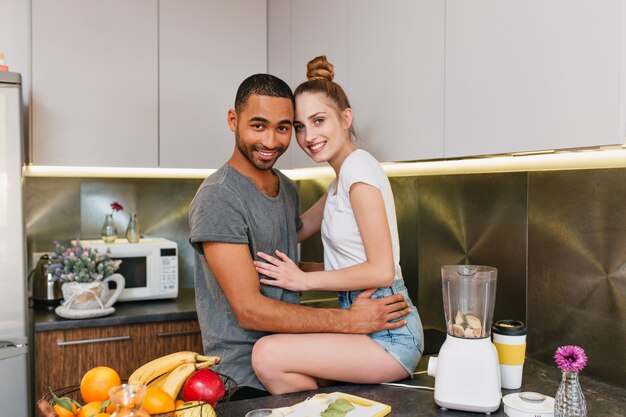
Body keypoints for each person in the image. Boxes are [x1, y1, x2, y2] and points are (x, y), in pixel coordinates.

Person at [188, 73, 411, 400]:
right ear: (233, 120)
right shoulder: (219, 197)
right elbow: (250, 310)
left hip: (294, 356)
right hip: (244, 376)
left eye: (283, 128)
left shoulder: (287, 187)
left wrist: (306, 273)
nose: (270, 141)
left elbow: (280, 259)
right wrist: (349, 321)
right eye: (258, 125)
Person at [251, 56, 424, 395]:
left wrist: (303, 279)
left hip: (391, 334)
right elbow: (298, 229)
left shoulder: (358, 172)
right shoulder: (339, 182)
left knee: (267, 354)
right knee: (275, 359)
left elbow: (381, 270)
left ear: (346, 118)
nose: (308, 136)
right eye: (300, 126)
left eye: (319, 121)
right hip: (363, 323)